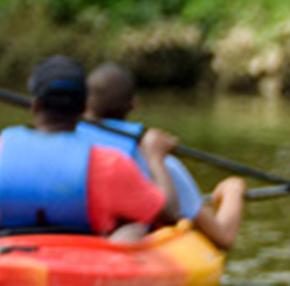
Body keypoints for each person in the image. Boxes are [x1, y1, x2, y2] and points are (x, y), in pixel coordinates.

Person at [0, 55, 183, 240]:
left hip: (9, 260)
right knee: (133, 229)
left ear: (35, 104)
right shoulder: (110, 164)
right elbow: (169, 214)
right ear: (82, 109)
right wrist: (155, 157)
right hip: (81, 266)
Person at [79, 60, 246, 251]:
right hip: (126, 250)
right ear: (133, 104)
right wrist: (233, 191)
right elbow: (223, 237)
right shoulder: (164, 165)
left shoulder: (69, 151)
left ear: (84, 104)